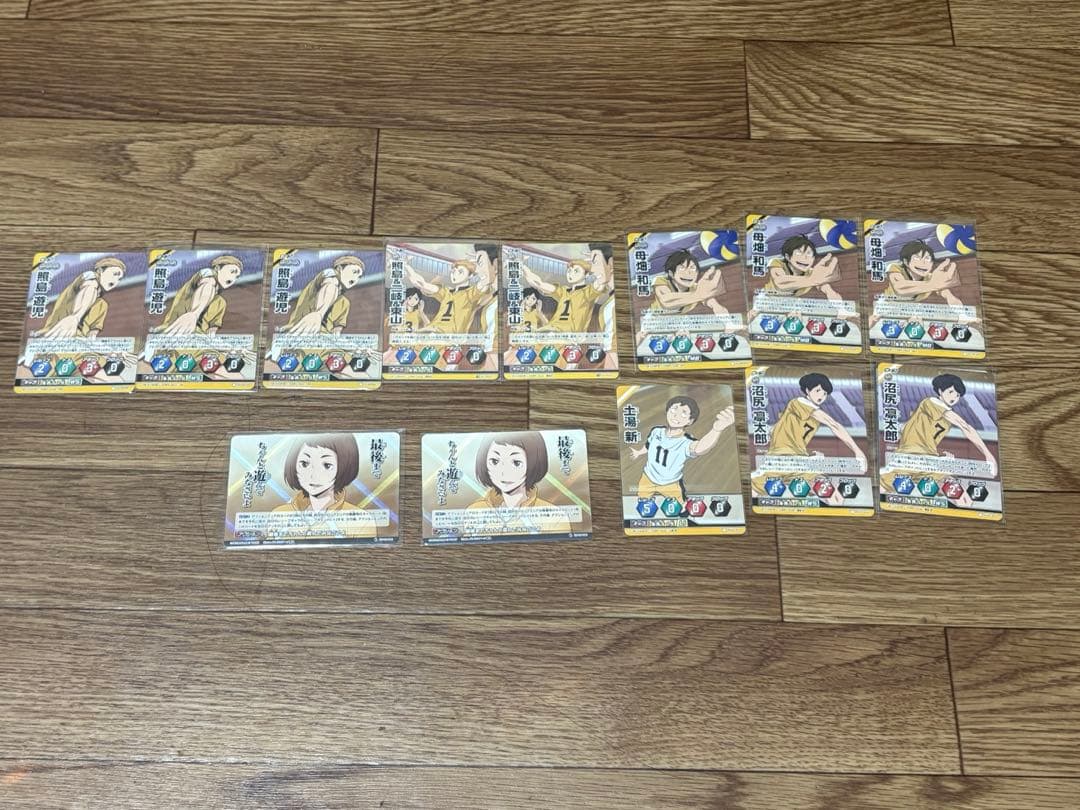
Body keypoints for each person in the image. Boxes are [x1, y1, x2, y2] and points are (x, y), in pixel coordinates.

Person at [630, 395, 735, 504]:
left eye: (684, 413)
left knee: (679, 507)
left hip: (670, 484)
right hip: (647, 478)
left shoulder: (686, 442)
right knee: (642, 503)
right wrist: (639, 452)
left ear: (690, 421)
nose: (676, 415)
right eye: (674, 409)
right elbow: (648, 445)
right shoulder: (656, 431)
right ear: (667, 411)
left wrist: (716, 430)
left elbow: (699, 448)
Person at [468, 431, 571, 534]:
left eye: (516, 463)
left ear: (534, 463)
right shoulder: (474, 511)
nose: (504, 472)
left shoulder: (555, 517)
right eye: (494, 461)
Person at [897, 373, 996, 474]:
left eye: (957, 395)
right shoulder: (931, 402)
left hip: (926, 458)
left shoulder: (946, 420)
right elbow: (965, 427)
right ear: (940, 391)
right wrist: (988, 455)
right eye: (951, 392)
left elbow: (910, 430)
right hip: (912, 455)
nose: (954, 397)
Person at [767, 372, 868, 471]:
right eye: (818, 390)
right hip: (785, 457)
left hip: (793, 457)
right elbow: (834, 425)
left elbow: (776, 430)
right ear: (807, 390)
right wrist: (858, 451)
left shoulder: (811, 415)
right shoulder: (800, 403)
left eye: (825, 393)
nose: (821, 396)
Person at [34, 256, 126, 339]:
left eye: (119, 279)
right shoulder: (90, 277)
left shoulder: (100, 303)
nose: (116, 280)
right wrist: (76, 317)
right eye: (115, 274)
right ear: (100, 271)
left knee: (102, 304)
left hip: (78, 340)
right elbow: (89, 288)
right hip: (57, 331)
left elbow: (93, 331)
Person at [153, 254, 243, 336]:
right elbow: (207, 285)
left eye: (237, 276)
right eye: (232, 271)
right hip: (174, 329)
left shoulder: (220, 302)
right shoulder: (207, 275)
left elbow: (213, 329)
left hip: (198, 339)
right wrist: (194, 313)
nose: (233, 278)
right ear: (217, 268)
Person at [280, 255, 365, 335]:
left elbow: (336, 332)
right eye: (354, 272)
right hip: (299, 330)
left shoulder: (344, 303)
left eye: (359, 277)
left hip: (323, 339)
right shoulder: (330, 274)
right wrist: (319, 313)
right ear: (339, 268)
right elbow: (330, 285)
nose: (356, 278)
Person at [405, 259, 492, 334]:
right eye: (453, 271)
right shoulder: (446, 292)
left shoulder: (471, 293)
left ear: (471, 275)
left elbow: (487, 280)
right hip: (432, 331)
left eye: (460, 272)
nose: (455, 274)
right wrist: (406, 265)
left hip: (449, 336)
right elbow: (421, 284)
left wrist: (480, 265)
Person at [522, 258, 608, 333]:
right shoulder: (563, 291)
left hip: (569, 334)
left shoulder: (588, 291)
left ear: (587, 274)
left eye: (576, 271)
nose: (571, 274)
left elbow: (603, 279)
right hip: (551, 330)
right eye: (569, 271)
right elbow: (539, 284)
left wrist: (599, 262)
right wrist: (522, 266)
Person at [649, 248, 729, 316]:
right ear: (671, 273)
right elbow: (666, 301)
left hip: (679, 321)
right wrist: (701, 294)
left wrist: (728, 322)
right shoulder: (661, 280)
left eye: (693, 268)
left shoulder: (697, 288)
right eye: (682, 268)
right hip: (654, 319)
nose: (688, 273)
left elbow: (715, 305)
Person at [765, 235, 843, 303]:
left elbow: (829, 291)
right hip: (767, 299)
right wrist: (815, 280)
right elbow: (780, 282)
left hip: (790, 302)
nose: (805, 258)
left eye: (809, 254)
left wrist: (841, 309)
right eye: (799, 253)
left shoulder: (813, 274)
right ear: (788, 257)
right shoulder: (777, 262)